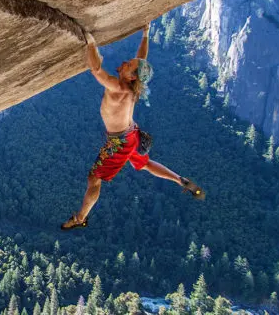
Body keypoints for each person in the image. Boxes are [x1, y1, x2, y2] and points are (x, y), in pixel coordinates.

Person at [60, 24, 204, 231]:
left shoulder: (119, 87)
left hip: (120, 142)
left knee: (95, 178)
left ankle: (81, 218)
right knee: (144, 164)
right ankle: (178, 179)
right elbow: (141, 59)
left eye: (128, 65)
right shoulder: (134, 86)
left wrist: (89, 41)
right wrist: (145, 33)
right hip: (131, 135)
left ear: (132, 76)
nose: (125, 62)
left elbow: (96, 69)